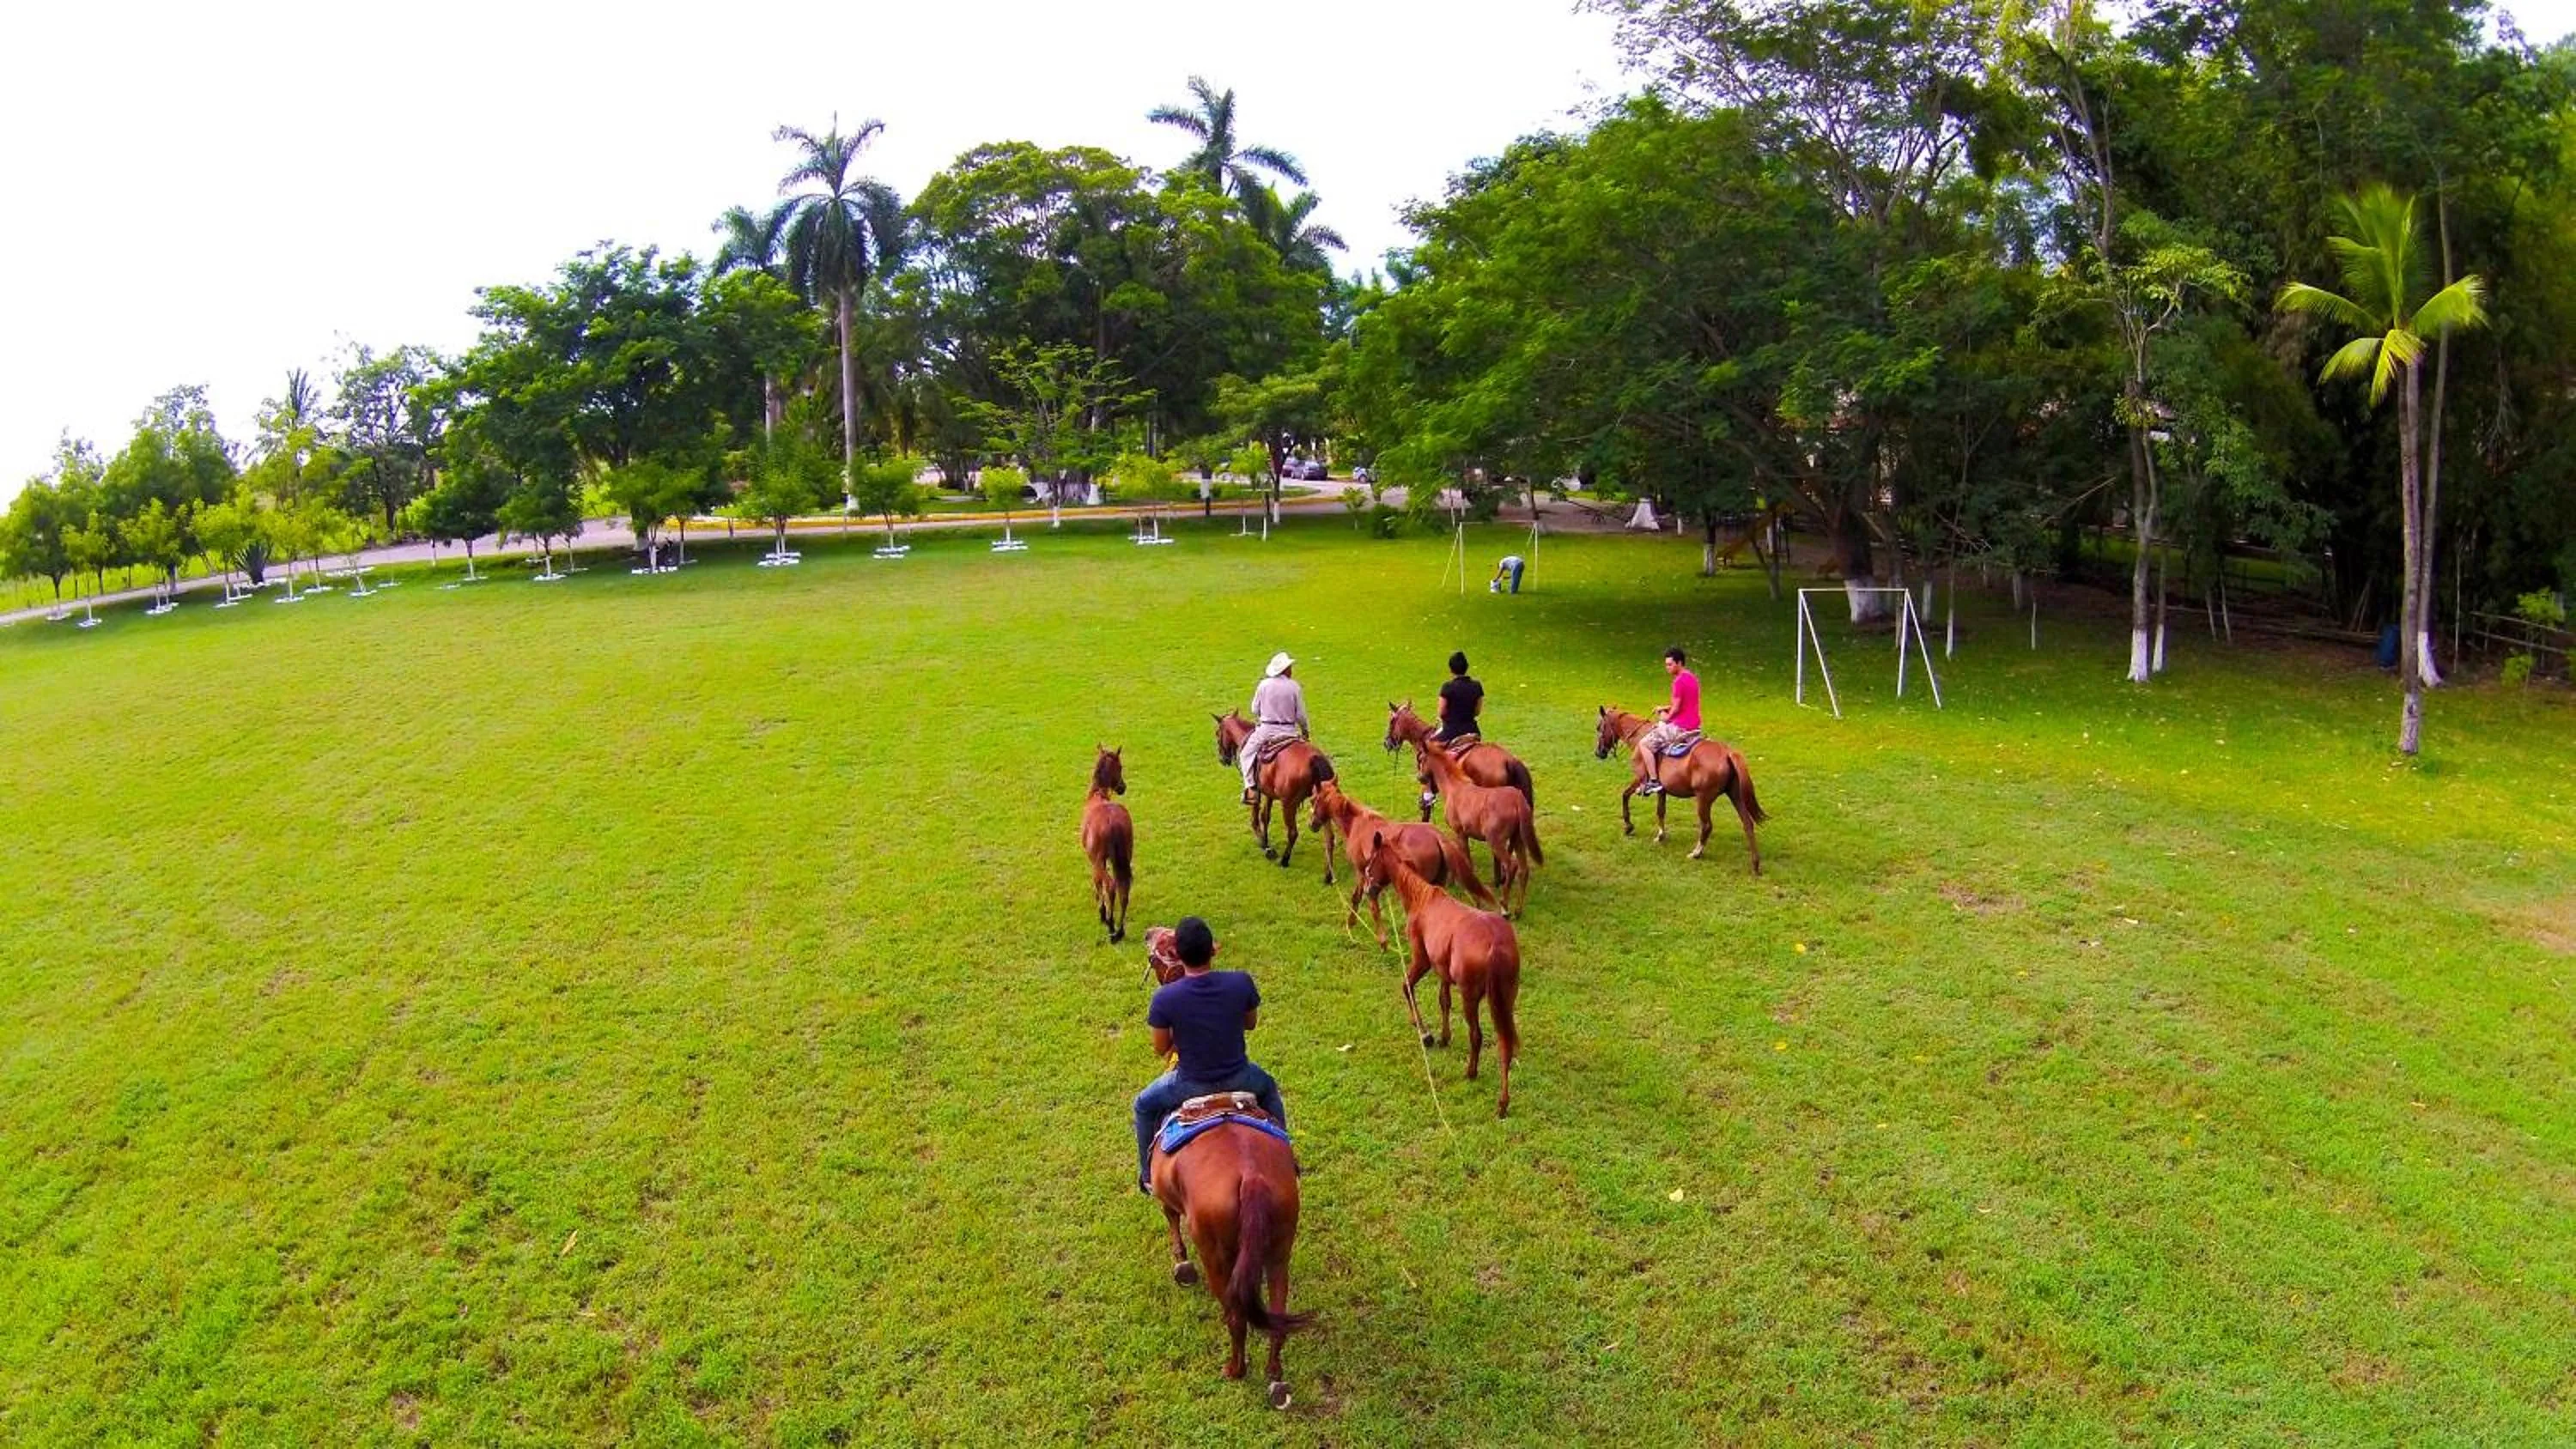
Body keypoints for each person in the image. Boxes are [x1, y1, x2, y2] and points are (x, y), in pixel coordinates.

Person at [1131, 916, 1289, 1193]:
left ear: (1178, 955)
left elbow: (1160, 1048)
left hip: (1188, 1082)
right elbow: (1250, 1023)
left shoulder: (1165, 998)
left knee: (1143, 1106)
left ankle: (1147, 1178)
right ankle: (1287, 1155)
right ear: (1213, 949)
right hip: (1241, 1076)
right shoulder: (1241, 982)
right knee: (1270, 1089)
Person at [1239, 652, 1309, 805]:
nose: (1291, 670)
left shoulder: (1263, 685)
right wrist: (1305, 731)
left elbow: (1254, 709)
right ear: (1285, 670)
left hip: (1267, 730)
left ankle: (1251, 789)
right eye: (1290, 667)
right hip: (1289, 731)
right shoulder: (1294, 686)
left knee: (1245, 754)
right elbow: (1301, 715)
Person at [1634, 646, 1701, 796]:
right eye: (1666, 665)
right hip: (1695, 725)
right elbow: (1685, 703)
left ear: (1679, 663)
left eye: (1670, 664)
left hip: (1680, 727)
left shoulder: (1678, 682)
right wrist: (1664, 707)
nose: (1667, 668)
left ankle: (1653, 781)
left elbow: (1676, 709)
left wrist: (1666, 717)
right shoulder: (1692, 678)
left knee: (1645, 744)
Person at [1436, 651, 1483, 746]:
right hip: (1472, 730)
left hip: (1451, 732)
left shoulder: (1447, 687)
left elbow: (1441, 712)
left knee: (1430, 748)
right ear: (1466, 667)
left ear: (1451, 669)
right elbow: (1477, 712)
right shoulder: (1477, 686)